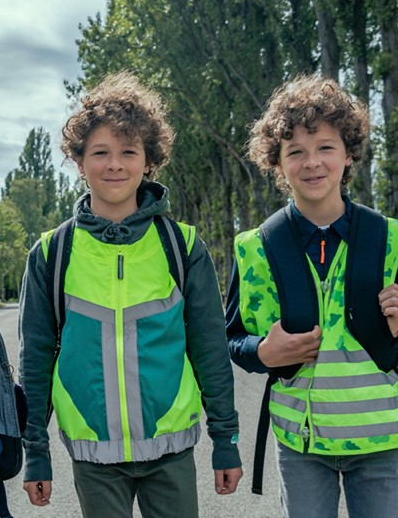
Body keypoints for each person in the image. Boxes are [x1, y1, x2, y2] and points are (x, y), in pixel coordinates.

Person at [18, 72, 242, 518]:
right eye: (100, 152)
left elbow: (210, 351)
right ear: (79, 162)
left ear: (149, 161)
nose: (114, 164)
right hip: (93, 457)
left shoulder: (182, 246)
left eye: (128, 152)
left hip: (171, 451)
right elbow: (35, 359)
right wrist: (35, 451)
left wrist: (226, 440)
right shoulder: (51, 253)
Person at [225, 74, 398, 518]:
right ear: (277, 163)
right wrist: (263, 351)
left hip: (382, 438)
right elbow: (233, 338)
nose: (312, 162)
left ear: (348, 154)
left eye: (325, 147)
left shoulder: (390, 238)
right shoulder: (255, 247)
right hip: (301, 444)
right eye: (295, 151)